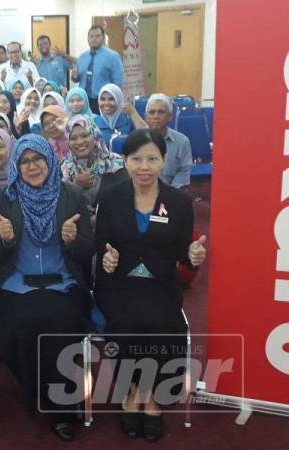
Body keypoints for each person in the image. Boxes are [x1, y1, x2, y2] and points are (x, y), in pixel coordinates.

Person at [95, 129, 207, 442]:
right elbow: (100, 242)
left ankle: (153, 396)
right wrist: (107, 258)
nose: (144, 166)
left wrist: (193, 254)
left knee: (162, 324)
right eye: (136, 159)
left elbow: (185, 253)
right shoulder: (111, 197)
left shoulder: (179, 201)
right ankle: (131, 393)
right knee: (125, 324)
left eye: (152, 159)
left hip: (160, 284)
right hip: (119, 282)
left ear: (163, 161)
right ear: (125, 161)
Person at [0, 134, 94, 442]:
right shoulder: (7, 197)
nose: (32, 166)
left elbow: (88, 250)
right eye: (24, 161)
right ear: (16, 166)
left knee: (58, 325)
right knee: (18, 325)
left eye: (38, 159)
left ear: (50, 158)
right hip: (18, 282)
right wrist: (4, 238)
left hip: (63, 282)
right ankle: (42, 391)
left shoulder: (72, 195)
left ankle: (61, 408)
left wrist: (73, 241)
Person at [61, 114, 124, 212]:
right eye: (73, 138)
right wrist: (76, 186)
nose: (80, 142)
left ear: (95, 135)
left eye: (85, 135)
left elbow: (125, 200)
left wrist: (98, 218)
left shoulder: (115, 163)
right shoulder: (65, 168)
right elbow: (62, 208)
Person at [144, 93, 193, 189]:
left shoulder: (182, 141)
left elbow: (185, 170)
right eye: (152, 112)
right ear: (146, 117)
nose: (156, 116)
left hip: (172, 192)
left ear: (170, 116)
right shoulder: (136, 141)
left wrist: (170, 193)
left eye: (161, 112)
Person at [72, 25, 124, 114]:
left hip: (103, 101)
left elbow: (118, 83)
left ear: (103, 38)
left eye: (97, 36)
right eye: (91, 36)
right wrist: (74, 77)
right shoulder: (82, 57)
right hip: (84, 101)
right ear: (87, 39)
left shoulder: (112, 56)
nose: (94, 39)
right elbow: (77, 79)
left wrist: (113, 101)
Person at [94, 84, 147, 148]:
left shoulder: (128, 121)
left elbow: (146, 136)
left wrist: (133, 113)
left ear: (119, 100)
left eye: (111, 99)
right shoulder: (94, 123)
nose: (106, 103)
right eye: (102, 99)